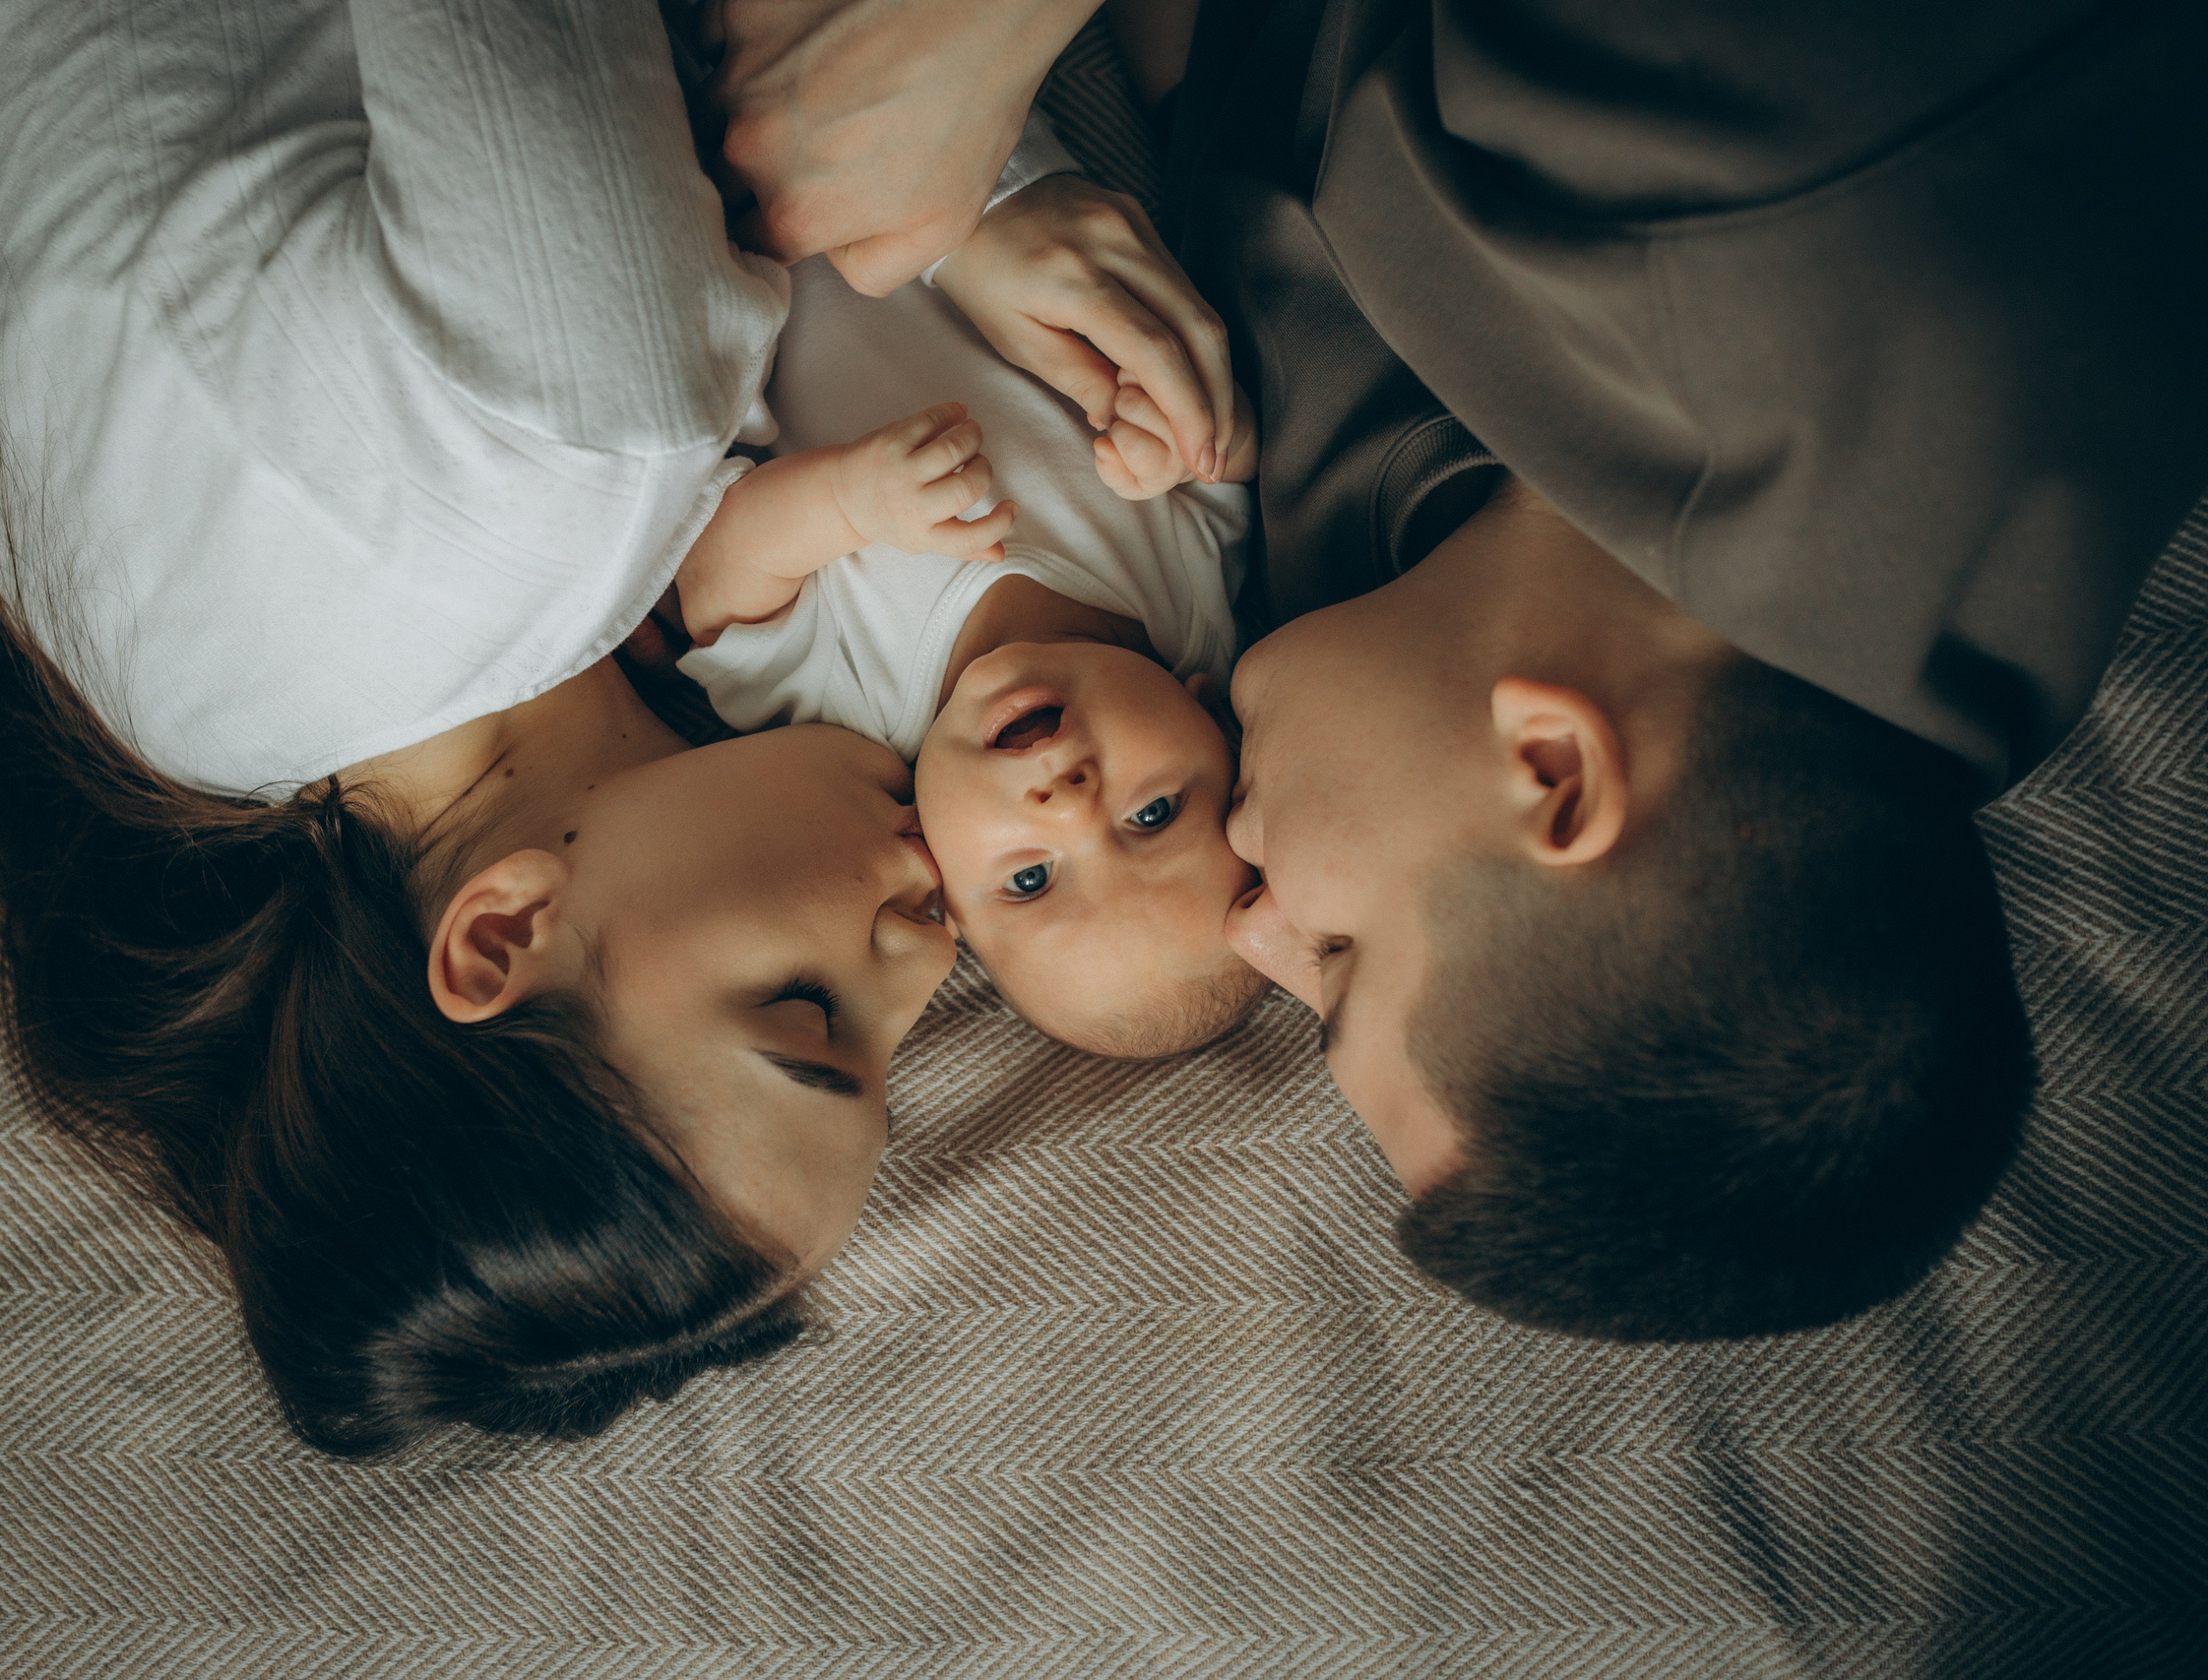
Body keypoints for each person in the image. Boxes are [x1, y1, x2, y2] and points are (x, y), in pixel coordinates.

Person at [0, 1, 1240, 1453]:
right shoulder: (156, 718)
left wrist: (953, 165)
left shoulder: (579, 448)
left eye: (811, 1011)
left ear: (502, 934)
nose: (931, 941)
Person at [709, 0, 2208, 1338]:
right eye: (1340, 960)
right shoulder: (1820, 211)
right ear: (1552, 773)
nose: (1259, 919)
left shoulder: (1404, 660)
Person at [672, 245, 1264, 1057]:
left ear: (941, 883)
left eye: (1031, 880)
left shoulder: (849, 726)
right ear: (1208, 713)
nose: (1071, 804)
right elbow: (1223, 461)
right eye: (1151, 814)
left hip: (728, 266)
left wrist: (847, 499)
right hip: (949, 217)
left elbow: (712, 580)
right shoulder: (1189, 609)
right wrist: (1176, 435)